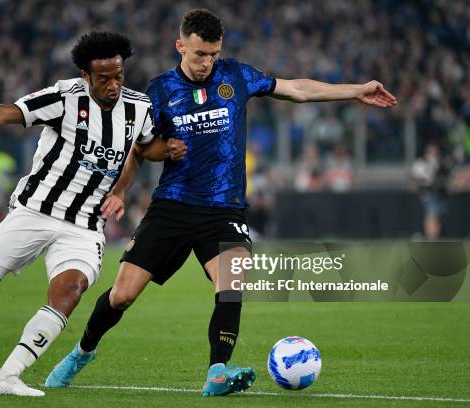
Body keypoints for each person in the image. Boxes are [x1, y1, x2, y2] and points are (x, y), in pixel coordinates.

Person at [45, 9, 397, 397]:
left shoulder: (237, 76)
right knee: (123, 294)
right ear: (181, 46)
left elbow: (296, 89)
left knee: (232, 283)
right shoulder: (159, 91)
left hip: (226, 209)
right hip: (173, 206)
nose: (206, 63)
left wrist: (355, 89)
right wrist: (122, 190)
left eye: (213, 54)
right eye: (199, 55)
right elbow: (140, 151)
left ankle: (217, 372)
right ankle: (82, 352)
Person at [0, 31, 186, 397]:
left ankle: (7, 377)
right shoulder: (63, 97)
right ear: (85, 75)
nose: (113, 86)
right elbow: (1, 114)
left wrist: (167, 150)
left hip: (85, 225)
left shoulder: (138, 108)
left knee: (71, 289)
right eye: (104, 79)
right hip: (34, 212)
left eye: (119, 76)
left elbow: (144, 149)